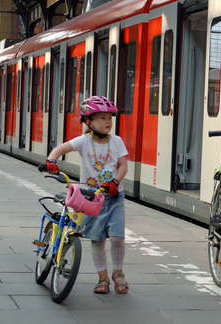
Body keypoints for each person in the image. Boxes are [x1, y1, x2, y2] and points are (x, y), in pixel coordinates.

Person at [42, 96, 129, 294]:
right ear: (88, 122)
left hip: (115, 197)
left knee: (117, 237)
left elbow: (123, 165)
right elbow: (60, 149)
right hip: (91, 198)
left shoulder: (117, 141)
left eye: (109, 118)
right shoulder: (83, 141)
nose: (108, 122)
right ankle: (102, 277)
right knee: (97, 239)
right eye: (102, 118)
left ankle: (118, 273)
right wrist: (51, 161)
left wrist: (115, 182)